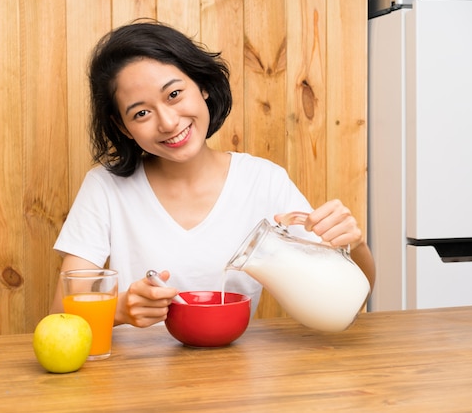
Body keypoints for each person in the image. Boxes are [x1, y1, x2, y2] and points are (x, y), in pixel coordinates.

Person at [50, 20, 375, 327]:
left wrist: (355, 245)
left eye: (174, 94)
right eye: (142, 112)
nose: (167, 122)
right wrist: (119, 309)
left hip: (239, 376)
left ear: (203, 86)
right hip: (135, 380)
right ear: (124, 127)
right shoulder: (105, 188)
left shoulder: (263, 181)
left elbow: (352, 298)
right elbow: (59, 315)